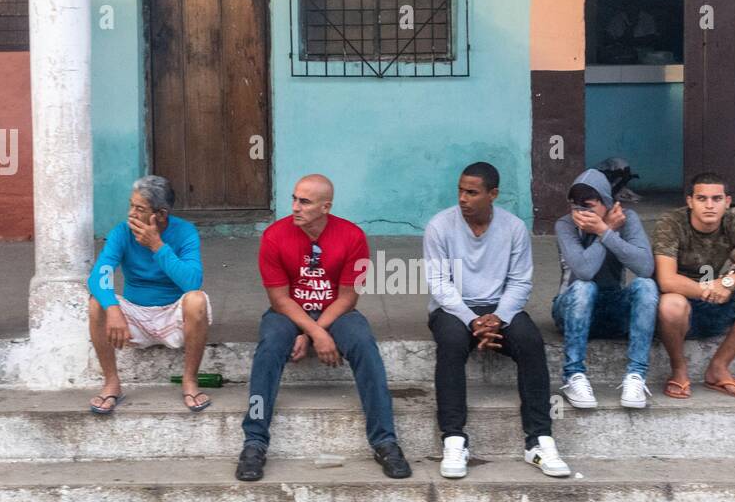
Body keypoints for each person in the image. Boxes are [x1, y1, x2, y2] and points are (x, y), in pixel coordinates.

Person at [235, 174, 411, 483]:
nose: (295, 207)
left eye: (304, 202)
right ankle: (254, 441)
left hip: (336, 311)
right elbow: (279, 299)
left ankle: (385, 441)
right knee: (269, 346)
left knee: (364, 344)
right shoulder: (275, 236)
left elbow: (347, 297)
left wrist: (315, 330)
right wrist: (315, 334)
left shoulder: (352, 237)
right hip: (288, 311)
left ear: (325, 207)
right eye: (294, 199)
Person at [425, 162, 570, 480]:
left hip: (499, 307)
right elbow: (439, 284)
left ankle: (539, 441)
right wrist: (471, 320)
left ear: (493, 194)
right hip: (453, 308)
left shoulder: (514, 228)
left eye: (472, 192)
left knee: (530, 342)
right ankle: (453, 438)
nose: (463, 198)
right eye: (460, 191)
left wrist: (498, 317)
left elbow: (520, 282)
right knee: (450, 343)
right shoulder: (439, 226)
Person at [86, 176, 212, 414]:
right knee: (96, 304)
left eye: (139, 208)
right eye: (131, 205)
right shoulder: (121, 233)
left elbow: (192, 282)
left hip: (172, 314)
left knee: (197, 300)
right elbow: (98, 276)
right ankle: (112, 382)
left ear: (161, 215)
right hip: (135, 315)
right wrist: (112, 308)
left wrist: (157, 246)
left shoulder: (185, 232)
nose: (131, 214)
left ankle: (190, 381)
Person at [653, 172, 735, 400]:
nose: (709, 206)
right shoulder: (671, 223)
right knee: (671, 303)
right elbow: (667, 279)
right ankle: (679, 370)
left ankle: (719, 367)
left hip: (719, 297)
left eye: (717, 199)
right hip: (682, 301)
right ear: (690, 201)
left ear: (727, 202)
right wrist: (710, 290)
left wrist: (728, 282)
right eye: (701, 199)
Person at [553, 167, 658, 409]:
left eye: (587, 205)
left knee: (646, 286)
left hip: (612, 304)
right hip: (569, 307)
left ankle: (636, 375)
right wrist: (605, 231)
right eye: (574, 204)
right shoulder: (565, 225)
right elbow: (584, 271)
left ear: (607, 204)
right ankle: (573, 375)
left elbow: (644, 267)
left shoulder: (627, 219)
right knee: (584, 287)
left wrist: (605, 232)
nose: (580, 211)